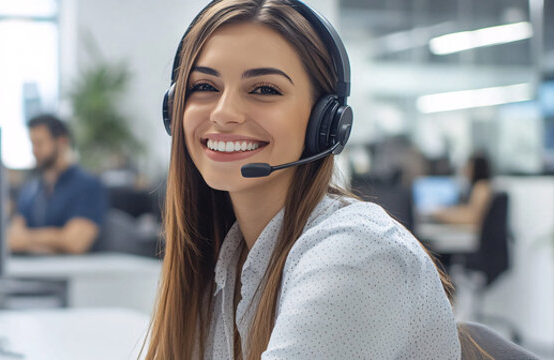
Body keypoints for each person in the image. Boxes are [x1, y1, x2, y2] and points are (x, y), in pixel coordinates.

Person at [145, 1, 462, 359]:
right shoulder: (226, 256)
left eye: (264, 89)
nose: (223, 113)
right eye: (204, 85)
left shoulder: (359, 254)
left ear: (325, 122)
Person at [7, 114, 108, 254]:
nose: (34, 150)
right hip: (35, 269)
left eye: (40, 143)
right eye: (32, 144)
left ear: (62, 143)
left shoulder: (87, 186)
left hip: (76, 272)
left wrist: (27, 239)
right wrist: (54, 239)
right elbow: (14, 238)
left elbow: (75, 242)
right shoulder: (33, 188)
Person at [430, 152, 493, 227]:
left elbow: (472, 218)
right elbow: (469, 210)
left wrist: (443, 216)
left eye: (468, 166)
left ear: (475, 168)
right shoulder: (480, 186)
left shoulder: (481, 187)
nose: (465, 169)